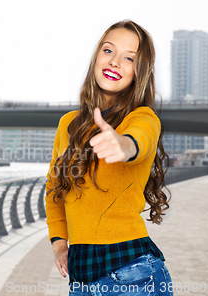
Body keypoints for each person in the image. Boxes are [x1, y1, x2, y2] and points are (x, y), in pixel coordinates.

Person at [45, 20, 173, 295]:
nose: (115, 62)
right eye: (108, 50)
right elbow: (54, 189)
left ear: (139, 72)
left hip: (134, 274)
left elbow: (140, 139)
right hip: (81, 277)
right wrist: (59, 243)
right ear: (96, 58)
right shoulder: (68, 124)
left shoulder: (141, 118)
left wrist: (123, 146)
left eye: (129, 58)